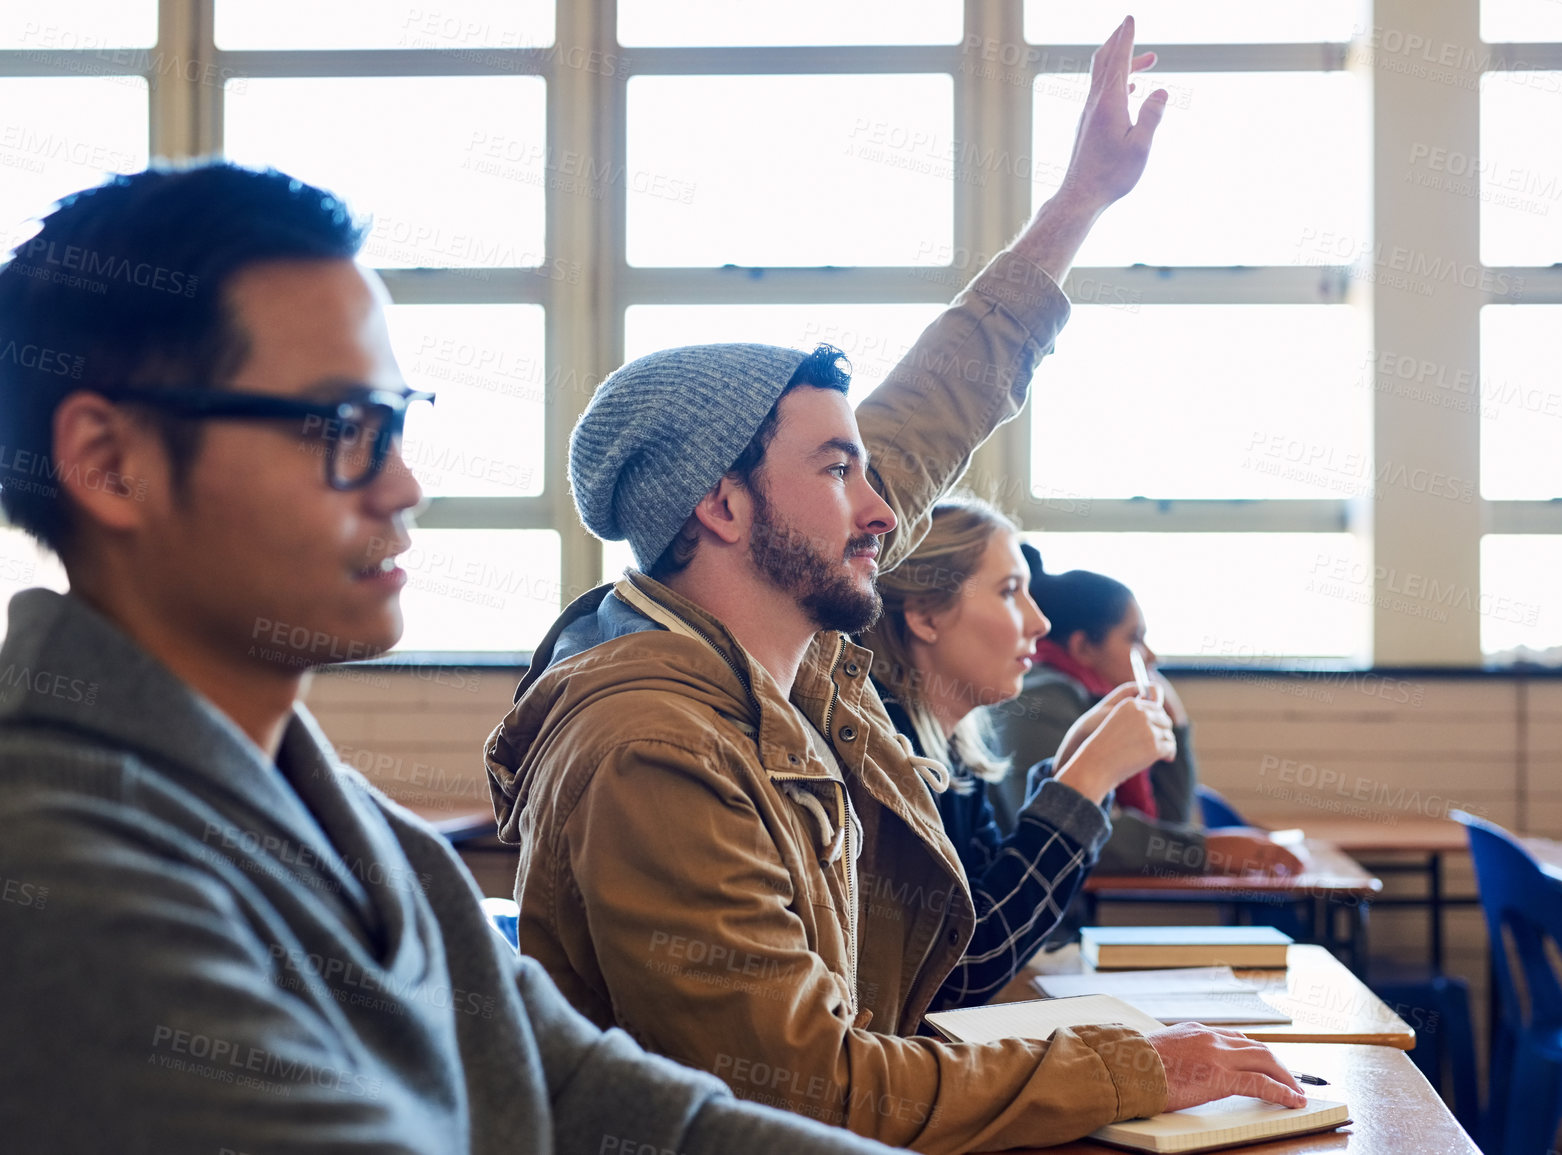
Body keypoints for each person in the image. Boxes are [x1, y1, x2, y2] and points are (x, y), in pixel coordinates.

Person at [487, 19, 1306, 1154]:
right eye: (837, 472)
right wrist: (1129, 1069)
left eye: (870, 474)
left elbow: (936, 406)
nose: (882, 510)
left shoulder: (781, 635)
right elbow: (809, 1096)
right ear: (720, 508)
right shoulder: (652, 749)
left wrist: (1080, 204)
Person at [0, 163, 891, 1153]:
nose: (403, 484)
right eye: (342, 426)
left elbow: (622, 1107)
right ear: (107, 462)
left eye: (398, 421)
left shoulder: (364, 833)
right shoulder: (66, 873)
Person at [862, 495, 1182, 1008]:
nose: (1040, 622)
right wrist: (1086, 780)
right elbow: (959, 974)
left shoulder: (953, 753)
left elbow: (992, 904)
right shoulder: (885, 756)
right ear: (925, 614)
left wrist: (1072, 766)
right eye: (1011, 592)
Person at [991, 546, 1303, 878]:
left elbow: (1171, 823)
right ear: (1083, 647)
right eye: (1135, 639)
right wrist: (1204, 850)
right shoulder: (1044, 697)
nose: (1150, 656)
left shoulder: (1094, 702)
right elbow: (1065, 829)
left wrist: (1176, 722)